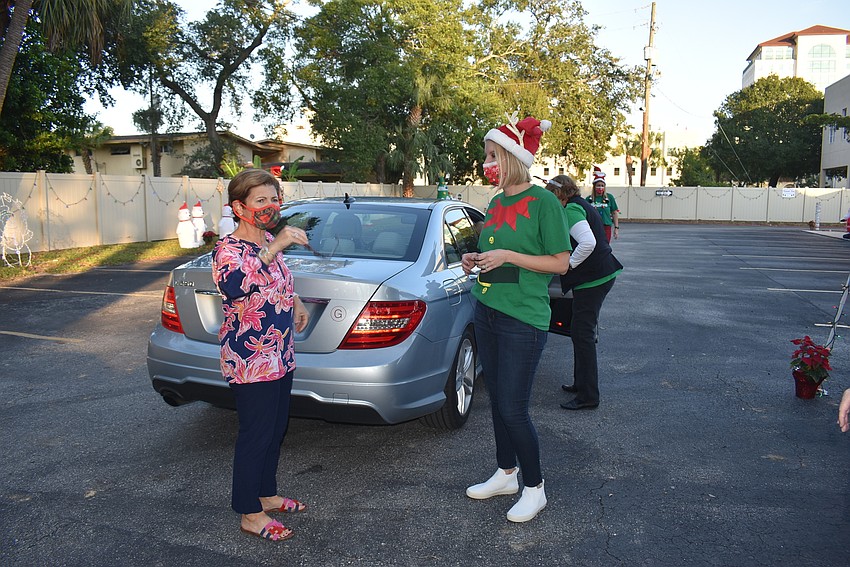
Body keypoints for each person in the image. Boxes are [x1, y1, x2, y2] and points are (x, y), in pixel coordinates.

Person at [461, 114, 571, 523]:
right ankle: (506, 474)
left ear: (510, 157)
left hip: (522, 318)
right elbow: (502, 261)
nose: (486, 163)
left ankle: (534, 488)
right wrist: (477, 260)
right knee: (498, 404)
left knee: (514, 408)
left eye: (491, 155)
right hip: (487, 308)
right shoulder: (495, 202)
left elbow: (560, 262)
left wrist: (507, 256)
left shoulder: (543, 201)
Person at [211, 169, 310, 542]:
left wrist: (296, 301)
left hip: (280, 353)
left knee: (276, 428)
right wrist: (275, 247)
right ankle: (249, 513)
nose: (270, 206)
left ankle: (266, 494)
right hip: (251, 359)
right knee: (255, 434)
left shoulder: (267, 240)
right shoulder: (229, 249)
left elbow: (277, 279)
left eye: (274, 198)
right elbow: (236, 287)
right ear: (239, 207)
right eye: (260, 200)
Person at [544, 175, 623, 410]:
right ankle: (581, 385)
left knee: (583, 335)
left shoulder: (570, 211)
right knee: (580, 334)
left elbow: (587, 243)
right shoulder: (579, 204)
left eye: (550, 195)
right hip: (598, 275)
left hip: (593, 279)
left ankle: (589, 396)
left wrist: (569, 265)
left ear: (559, 194)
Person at [587, 166, 620, 242]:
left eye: (602, 186)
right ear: (594, 187)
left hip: (606, 227)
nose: (600, 188)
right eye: (598, 185)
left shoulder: (609, 197)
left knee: (604, 247)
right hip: (593, 227)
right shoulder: (589, 199)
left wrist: (616, 228)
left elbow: (614, 213)